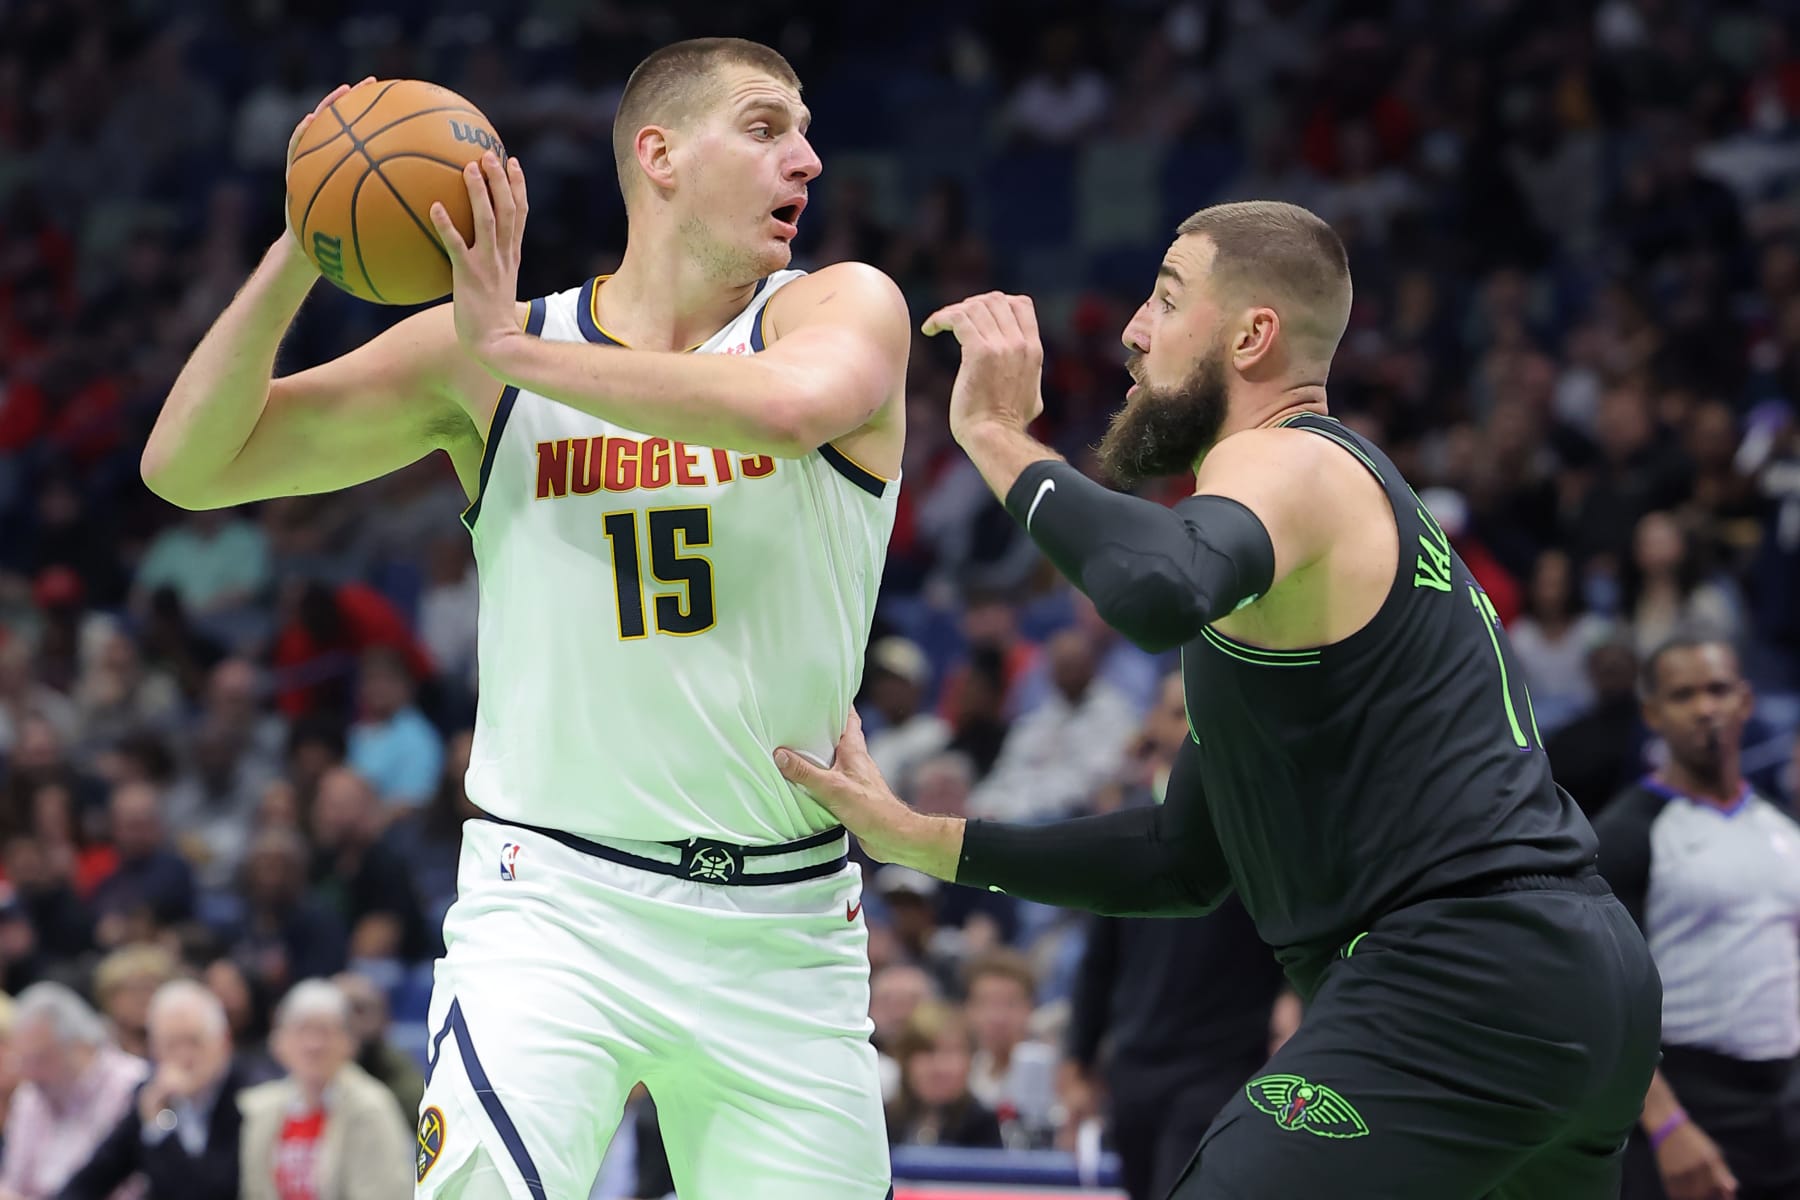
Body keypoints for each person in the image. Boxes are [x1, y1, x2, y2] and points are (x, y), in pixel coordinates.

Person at [141, 36, 908, 1200]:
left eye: (804, 131)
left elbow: (797, 409)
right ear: (657, 154)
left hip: (785, 929)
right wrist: (306, 243)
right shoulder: (490, 357)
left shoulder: (836, 310)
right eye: (764, 128)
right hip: (556, 903)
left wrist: (511, 350)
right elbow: (189, 468)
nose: (805, 158)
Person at [776, 200, 1663, 1198]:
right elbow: (1181, 858)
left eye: (1165, 298)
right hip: (1575, 989)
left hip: (1463, 975)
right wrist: (915, 837)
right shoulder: (1300, 561)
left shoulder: (1289, 457)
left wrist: (990, 433)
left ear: (1253, 336)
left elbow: (1154, 588)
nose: (1132, 330)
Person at [1594, 634, 1800, 1200]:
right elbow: (1605, 1002)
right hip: (1683, 1103)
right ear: (1653, 714)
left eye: (1718, 690)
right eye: (1684, 695)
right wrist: (1666, 1125)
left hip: (1782, 1104)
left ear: (1746, 701)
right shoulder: (1625, 835)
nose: (1706, 708)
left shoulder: (1783, 830)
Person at [59, 979, 247, 1200]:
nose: (184, 1056)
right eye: (170, 1044)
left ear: (224, 1042)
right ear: (154, 1051)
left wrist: (160, 1126)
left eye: (194, 1041)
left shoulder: (247, 1096)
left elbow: (209, 1191)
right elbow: (93, 1177)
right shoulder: (151, 1092)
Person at [236, 980, 412, 1200]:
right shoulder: (259, 1109)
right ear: (279, 1042)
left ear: (349, 1042)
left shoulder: (371, 1108)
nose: (313, 1044)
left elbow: (382, 1193)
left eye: (325, 1031)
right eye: (302, 1030)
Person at [0, 984, 145, 1200]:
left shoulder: (131, 1086)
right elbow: (13, 1183)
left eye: (40, 1059)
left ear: (80, 1046)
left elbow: (135, 1188)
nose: (29, 1074)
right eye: (24, 1060)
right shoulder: (31, 1096)